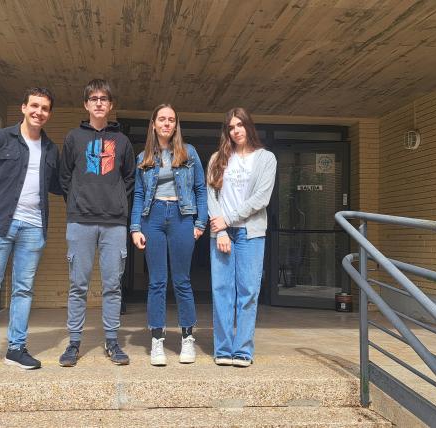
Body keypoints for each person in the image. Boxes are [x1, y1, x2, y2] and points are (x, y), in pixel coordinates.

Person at [0, 87, 61, 375]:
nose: (38, 112)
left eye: (44, 108)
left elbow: (55, 184)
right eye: (34, 106)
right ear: (23, 107)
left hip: (33, 226)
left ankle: (16, 349)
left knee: (23, 289)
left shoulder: (51, 149)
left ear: (49, 114)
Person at [58, 79, 136, 367]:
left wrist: (115, 201)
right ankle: (74, 342)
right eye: (94, 98)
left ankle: (112, 341)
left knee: (112, 285)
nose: (99, 103)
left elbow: (129, 178)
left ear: (111, 105)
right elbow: (65, 177)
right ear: (86, 104)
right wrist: (78, 201)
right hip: (80, 221)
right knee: (78, 284)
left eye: (104, 98)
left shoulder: (122, 142)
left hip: (114, 223)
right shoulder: (73, 138)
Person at [130, 104, 207, 366]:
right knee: (157, 282)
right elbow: (139, 195)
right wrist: (135, 227)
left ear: (176, 125)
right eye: (161, 119)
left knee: (182, 281)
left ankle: (187, 339)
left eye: (171, 120)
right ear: (153, 124)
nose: (166, 124)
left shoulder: (189, 153)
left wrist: (200, 222)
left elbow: (200, 189)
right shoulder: (144, 157)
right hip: (152, 219)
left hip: (181, 217)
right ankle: (157, 341)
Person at [207, 107, 276, 368]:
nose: (236, 131)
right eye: (231, 127)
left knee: (248, 292)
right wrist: (221, 229)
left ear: (249, 126)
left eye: (240, 125)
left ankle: (243, 351)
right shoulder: (217, 159)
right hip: (222, 234)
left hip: (251, 233)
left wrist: (229, 219)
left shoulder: (266, 158)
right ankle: (223, 349)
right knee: (222, 291)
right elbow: (211, 197)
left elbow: (261, 198)